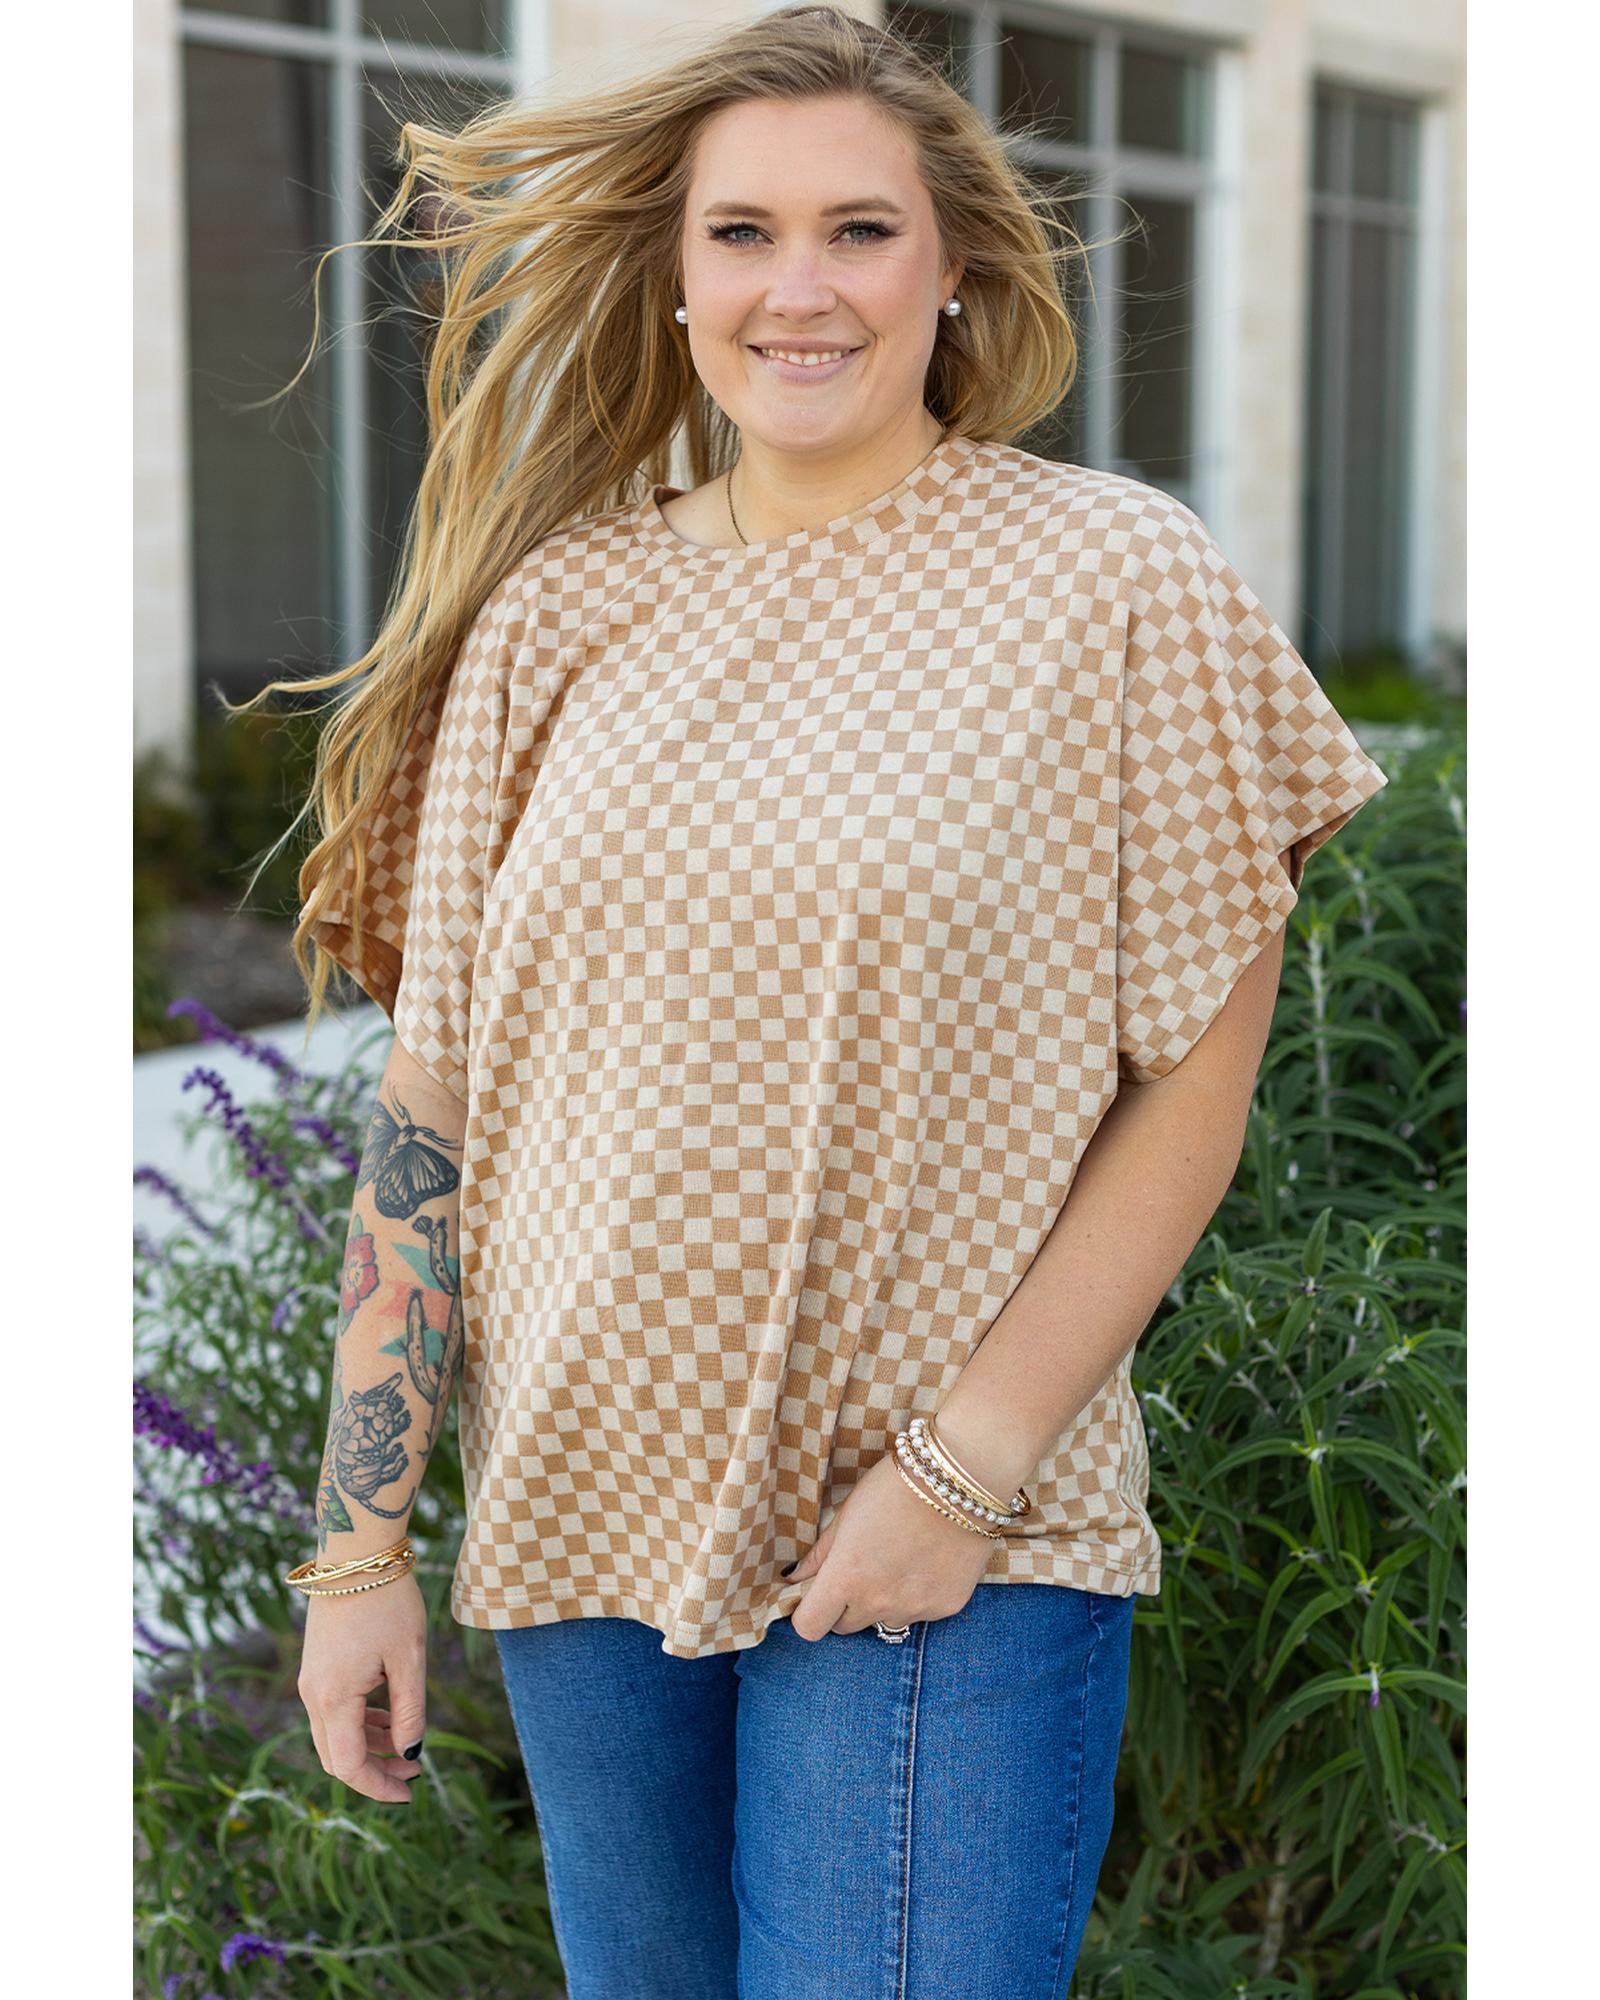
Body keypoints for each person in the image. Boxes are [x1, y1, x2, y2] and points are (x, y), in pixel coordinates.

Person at [275, 8, 1388, 1995]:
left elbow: (1190, 1094)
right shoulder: (558, 612)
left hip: (948, 1532)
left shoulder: (1113, 581)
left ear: (951, 267)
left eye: (859, 230)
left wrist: (955, 1479)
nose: (799, 288)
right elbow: (434, 1100)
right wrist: (359, 1548)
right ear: (674, 276)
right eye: (743, 234)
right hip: (582, 1510)